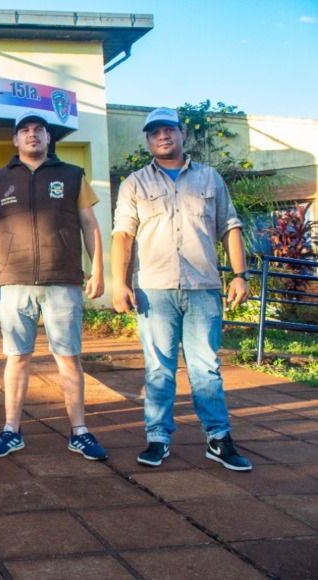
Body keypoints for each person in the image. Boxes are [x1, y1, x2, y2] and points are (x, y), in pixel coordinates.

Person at [111, 107, 252, 471]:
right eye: (155, 132)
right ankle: (157, 438)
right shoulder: (135, 184)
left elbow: (229, 226)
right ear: (147, 139)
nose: (162, 136)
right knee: (158, 368)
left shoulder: (210, 178)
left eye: (168, 130)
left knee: (206, 367)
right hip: (153, 291)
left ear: (182, 133)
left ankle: (218, 438)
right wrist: (119, 283)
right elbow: (123, 236)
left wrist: (240, 275)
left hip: (203, 287)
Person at [0, 111, 108, 461]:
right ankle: (11, 430)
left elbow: (89, 225)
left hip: (62, 279)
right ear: (15, 141)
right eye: (24, 131)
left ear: (49, 138)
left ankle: (79, 431)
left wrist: (98, 271)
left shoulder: (72, 176)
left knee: (68, 357)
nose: (32, 135)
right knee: (17, 358)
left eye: (39, 130)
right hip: (13, 280)